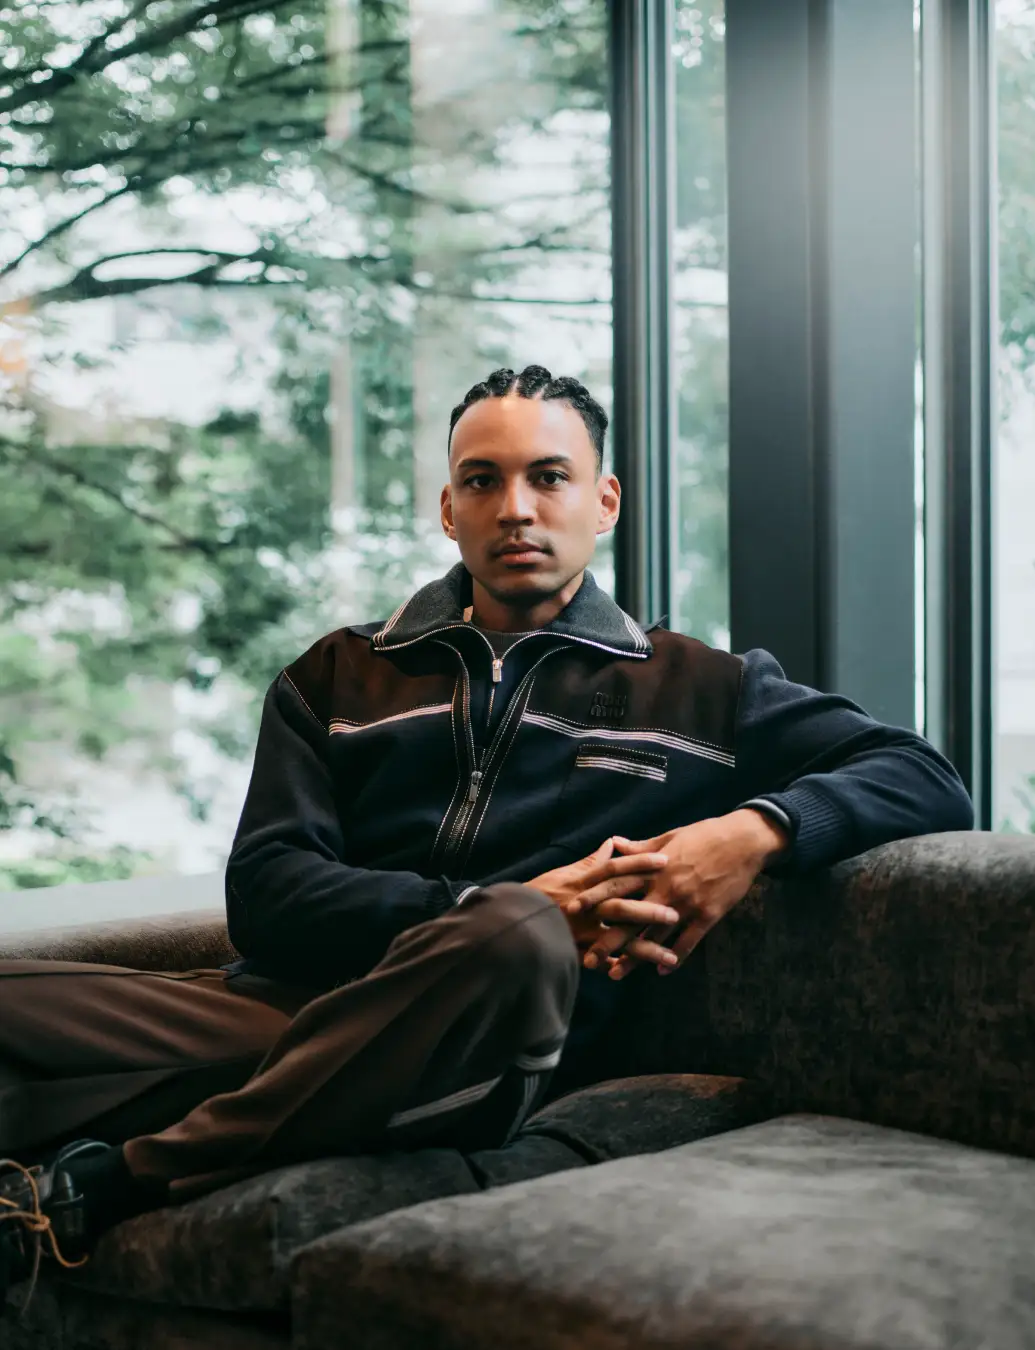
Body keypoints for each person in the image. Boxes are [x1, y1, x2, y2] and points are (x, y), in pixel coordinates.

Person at [0, 364, 973, 1295]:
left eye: (549, 477)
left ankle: (114, 1180)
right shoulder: (336, 676)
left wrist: (752, 832)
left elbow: (922, 774)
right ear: (447, 508)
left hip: (495, 1038)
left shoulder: (703, 690)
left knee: (516, 934)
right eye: (482, 480)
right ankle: (299, 1087)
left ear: (604, 501)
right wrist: (471, 902)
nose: (515, 507)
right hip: (290, 1010)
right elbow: (267, 892)